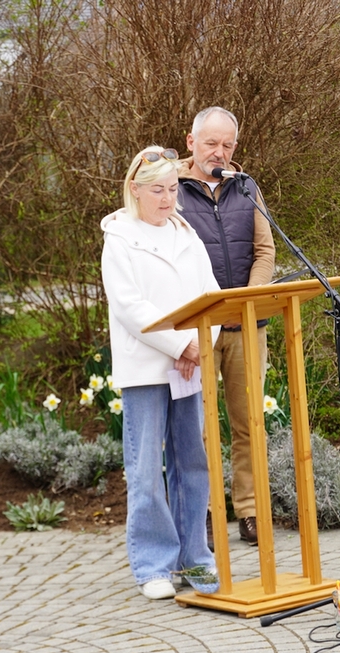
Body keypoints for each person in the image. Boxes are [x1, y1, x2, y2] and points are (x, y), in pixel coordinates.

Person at [101, 145, 222, 600]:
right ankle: (153, 565)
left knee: (192, 462)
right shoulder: (119, 237)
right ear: (135, 189)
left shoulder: (186, 234)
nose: (168, 198)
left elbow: (212, 296)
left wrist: (199, 346)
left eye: (173, 189)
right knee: (147, 467)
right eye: (158, 191)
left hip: (188, 364)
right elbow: (130, 307)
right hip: (147, 368)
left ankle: (195, 559)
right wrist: (180, 345)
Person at [177, 107, 276, 548]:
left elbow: (265, 251)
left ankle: (250, 511)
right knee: (199, 428)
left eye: (227, 145)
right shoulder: (173, 188)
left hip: (246, 325)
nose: (219, 152)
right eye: (211, 143)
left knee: (249, 423)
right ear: (191, 142)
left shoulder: (247, 187)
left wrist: (247, 302)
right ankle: (206, 513)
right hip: (197, 330)